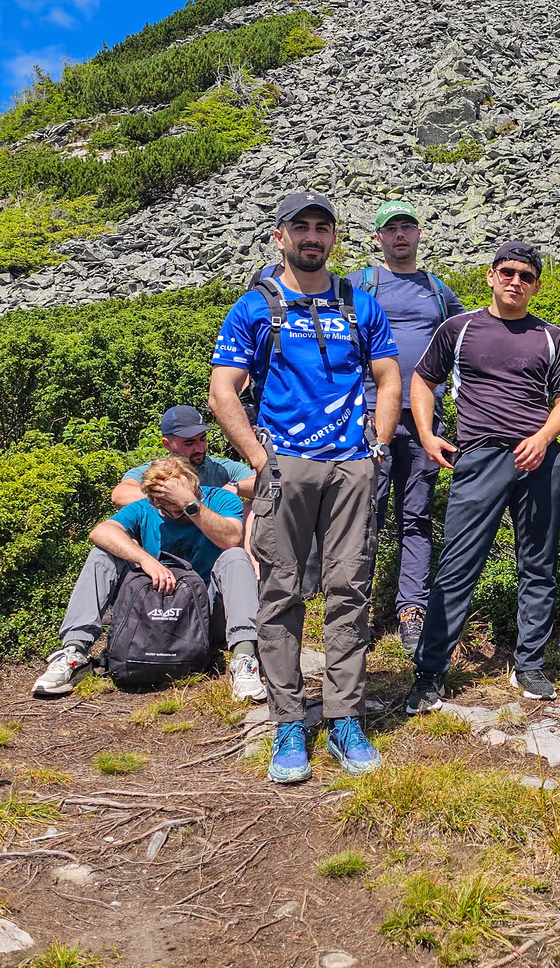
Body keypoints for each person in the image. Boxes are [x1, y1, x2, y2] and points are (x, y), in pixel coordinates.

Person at [207, 192, 400, 784]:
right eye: (301, 228)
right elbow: (223, 391)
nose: (312, 237)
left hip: (351, 466)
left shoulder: (360, 304)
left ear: (334, 239)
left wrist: (379, 445)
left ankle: (344, 715)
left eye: (322, 228)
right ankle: (288, 720)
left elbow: (390, 377)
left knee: (350, 590)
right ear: (280, 237)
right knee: (281, 593)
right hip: (284, 467)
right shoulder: (255, 307)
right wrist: (260, 460)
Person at [403, 241, 560, 711]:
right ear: (490, 276)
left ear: (537, 285)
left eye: (526, 276)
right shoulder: (458, 329)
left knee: (538, 564)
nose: (515, 281)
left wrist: (543, 438)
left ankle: (530, 665)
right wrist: (426, 433)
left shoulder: (551, 337)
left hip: (539, 459)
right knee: (458, 565)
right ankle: (430, 672)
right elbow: (422, 380)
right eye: (507, 272)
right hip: (479, 458)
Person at [31, 457, 262, 702]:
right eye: (168, 503)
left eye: (182, 496)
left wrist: (190, 504)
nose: (176, 509)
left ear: (195, 486)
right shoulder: (144, 509)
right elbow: (100, 531)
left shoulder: (219, 499)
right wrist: (145, 559)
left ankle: (245, 657)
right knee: (102, 554)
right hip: (156, 609)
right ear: (154, 499)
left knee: (235, 556)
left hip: (207, 610)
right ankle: (75, 651)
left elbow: (231, 538)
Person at [353, 200, 466, 652]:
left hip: (423, 421)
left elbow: (468, 337)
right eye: (391, 228)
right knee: (365, 514)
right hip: (366, 417)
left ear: (419, 235)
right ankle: (353, 604)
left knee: (415, 516)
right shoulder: (360, 284)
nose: (400, 235)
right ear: (378, 237)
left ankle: (411, 609)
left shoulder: (438, 290)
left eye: (407, 227)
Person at [111, 405, 255, 506]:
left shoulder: (220, 468)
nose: (199, 448)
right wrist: (172, 497)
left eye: (202, 439)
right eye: (189, 442)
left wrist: (233, 487)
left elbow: (261, 484)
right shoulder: (154, 471)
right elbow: (120, 495)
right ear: (167, 444)